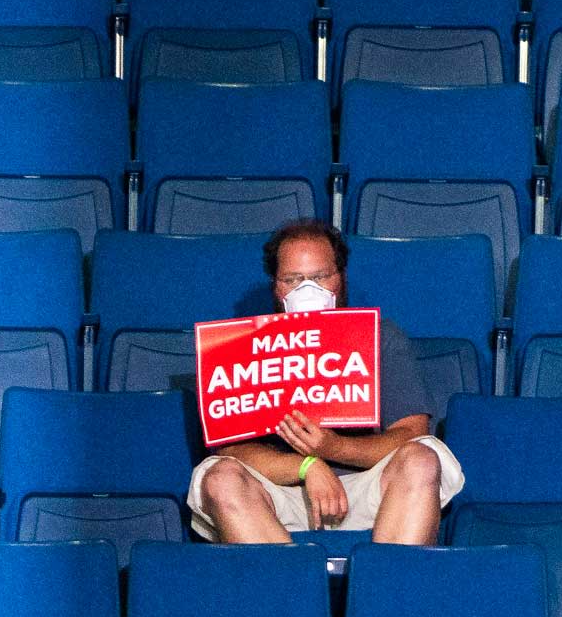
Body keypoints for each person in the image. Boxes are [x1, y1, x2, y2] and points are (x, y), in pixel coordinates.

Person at [187, 219, 466, 544]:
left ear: (341, 278)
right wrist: (307, 466)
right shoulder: (243, 346)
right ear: (275, 286)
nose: (308, 290)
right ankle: (289, 578)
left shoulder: (379, 336)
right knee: (219, 476)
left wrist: (334, 448)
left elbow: (411, 432)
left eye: (320, 277)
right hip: (279, 493)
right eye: (292, 279)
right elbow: (233, 450)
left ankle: (389, 576)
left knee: (423, 457)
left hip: (371, 489)